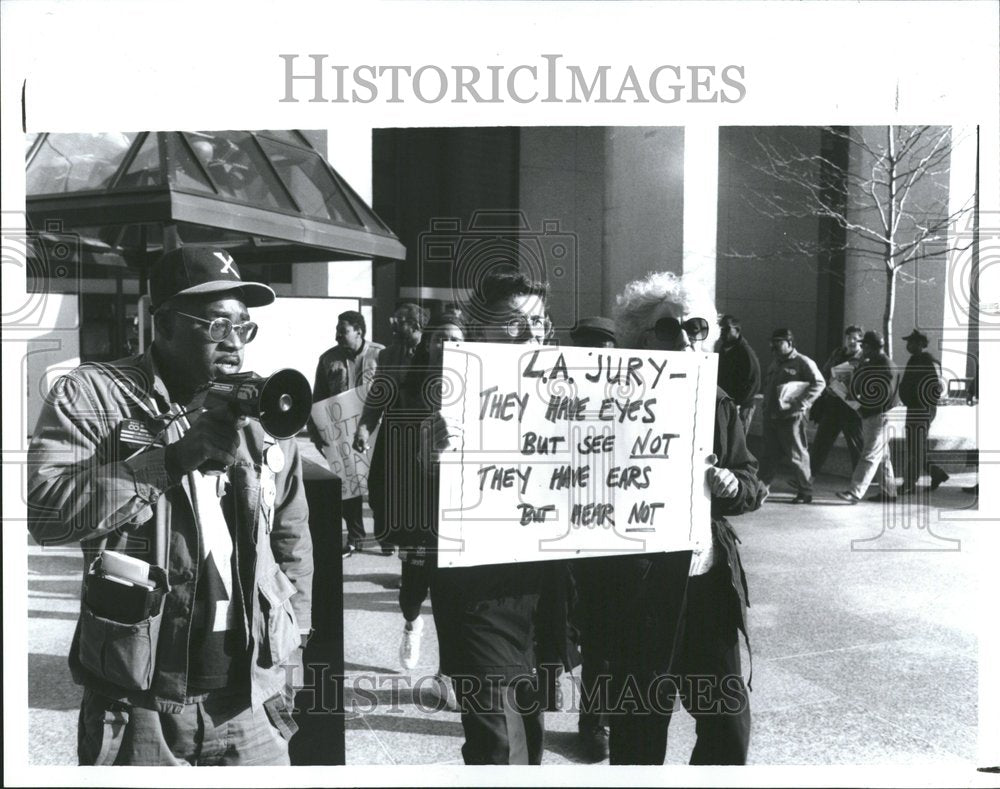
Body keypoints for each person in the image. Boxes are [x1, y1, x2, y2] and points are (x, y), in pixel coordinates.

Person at [27, 246, 313, 766]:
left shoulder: (261, 408)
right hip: (140, 700)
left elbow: (292, 535)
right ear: (162, 325)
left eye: (244, 328)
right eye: (216, 325)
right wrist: (176, 458)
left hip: (249, 701)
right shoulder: (94, 394)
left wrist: (295, 647)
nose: (234, 343)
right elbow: (47, 513)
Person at [585, 270, 765, 765]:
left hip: (707, 587)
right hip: (638, 594)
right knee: (640, 735)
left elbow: (750, 479)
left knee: (729, 729)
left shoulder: (719, 402)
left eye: (696, 328)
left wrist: (734, 486)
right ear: (639, 337)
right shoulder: (602, 405)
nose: (685, 338)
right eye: (669, 329)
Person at [426, 269, 568, 765]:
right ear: (479, 327)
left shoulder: (571, 392)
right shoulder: (441, 395)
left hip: (540, 592)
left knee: (528, 736)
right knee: (495, 741)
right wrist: (429, 458)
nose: (530, 334)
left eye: (539, 322)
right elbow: (394, 503)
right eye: (514, 323)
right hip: (476, 594)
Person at [392, 314, 464, 706]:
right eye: (440, 339)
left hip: (460, 511)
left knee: (452, 597)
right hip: (419, 508)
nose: (448, 345)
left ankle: (448, 674)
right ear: (428, 344)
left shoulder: (481, 386)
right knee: (413, 591)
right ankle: (411, 623)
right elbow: (393, 456)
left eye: (456, 338)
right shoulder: (410, 390)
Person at [566, 315, 616, 761]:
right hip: (560, 537)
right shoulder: (548, 396)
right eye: (585, 348)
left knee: (604, 638)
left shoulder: (637, 397)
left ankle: (597, 720)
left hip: (616, 539)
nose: (594, 357)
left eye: (602, 348)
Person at [353, 303, 429, 556]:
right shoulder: (387, 356)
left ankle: (414, 565)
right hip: (394, 435)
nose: (393, 327)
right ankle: (390, 538)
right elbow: (378, 396)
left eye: (401, 322)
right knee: (379, 491)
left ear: (417, 325)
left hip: (426, 436)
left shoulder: (435, 351)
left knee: (418, 504)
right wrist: (364, 428)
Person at [308, 310, 384, 558]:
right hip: (341, 433)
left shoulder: (380, 355)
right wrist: (316, 432)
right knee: (349, 487)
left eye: (343, 331)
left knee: (379, 485)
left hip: (375, 430)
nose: (337, 336)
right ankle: (355, 538)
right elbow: (318, 397)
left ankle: (385, 535)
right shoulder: (327, 359)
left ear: (359, 331)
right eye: (337, 331)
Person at [759, 328, 826, 504]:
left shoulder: (803, 362)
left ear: (789, 343)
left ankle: (805, 490)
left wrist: (801, 404)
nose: (774, 346)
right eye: (773, 342)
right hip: (772, 415)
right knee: (768, 455)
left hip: (792, 417)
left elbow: (819, 383)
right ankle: (761, 489)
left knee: (796, 454)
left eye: (779, 342)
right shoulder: (775, 362)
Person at [836, 331, 900, 503]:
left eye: (864, 345)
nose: (861, 348)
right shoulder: (874, 362)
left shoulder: (885, 366)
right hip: (874, 414)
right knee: (882, 455)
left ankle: (855, 491)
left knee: (870, 454)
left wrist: (859, 402)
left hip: (878, 416)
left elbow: (881, 395)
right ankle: (889, 492)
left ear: (872, 347)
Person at [810, 325, 865, 476]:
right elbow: (826, 372)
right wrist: (828, 386)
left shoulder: (863, 358)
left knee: (856, 446)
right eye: (849, 338)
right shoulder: (837, 353)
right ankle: (808, 478)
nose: (852, 341)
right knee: (821, 443)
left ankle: (858, 482)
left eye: (855, 338)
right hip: (833, 406)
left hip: (851, 409)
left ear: (861, 340)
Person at [898, 329, 948, 493]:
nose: (908, 345)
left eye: (911, 342)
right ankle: (937, 473)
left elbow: (936, 388)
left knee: (916, 447)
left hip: (921, 410)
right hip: (914, 409)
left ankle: (909, 483)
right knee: (915, 447)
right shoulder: (916, 359)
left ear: (920, 344)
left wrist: (920, 404)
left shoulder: (928, 361)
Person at [714, 314, 762, 435]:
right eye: (720, 329)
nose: (722, 332)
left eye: (726, 329)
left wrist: (739, 403)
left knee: (737, 440)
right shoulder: (723, 349)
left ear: (737, 330)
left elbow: (754, 382)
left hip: (741, 406)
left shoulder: (745, 352)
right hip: (725, 404)